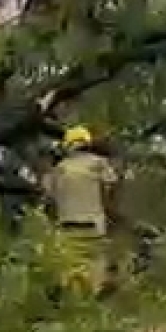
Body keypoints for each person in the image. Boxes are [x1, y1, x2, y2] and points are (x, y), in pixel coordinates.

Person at [44, 125, 119, 293]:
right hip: (94, 226)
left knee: (70, 269)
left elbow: (49, 199)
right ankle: (97, 292)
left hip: (67, 227)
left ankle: (74, 301)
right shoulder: (99, 163)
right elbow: (111, 186)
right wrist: (110, 214)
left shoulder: (59, 169)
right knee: (96, 265)